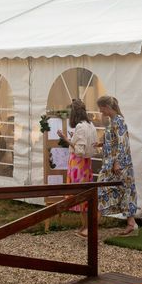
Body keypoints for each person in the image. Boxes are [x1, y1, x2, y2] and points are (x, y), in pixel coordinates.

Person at [96, 96, 139, 236]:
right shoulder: (113, 121)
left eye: (101, 108)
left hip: (118, 165)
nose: (100, 111)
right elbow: (115, 141)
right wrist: (102, 144)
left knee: (103, 190)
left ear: (107, 107)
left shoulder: (119, 121)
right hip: (112, 164)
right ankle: (131, 223)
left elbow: (123, 143)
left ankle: (90, 227)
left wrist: (117, 162)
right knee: (123, 191)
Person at [57, 100, 98, 237]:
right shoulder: (90, 124)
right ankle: (85, 226)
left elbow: (79, 150)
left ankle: (87, 228)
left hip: (78, 164)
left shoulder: (80, 126)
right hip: (86, 164)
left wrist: (65, 138)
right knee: (85, 194)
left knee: (81, 196)